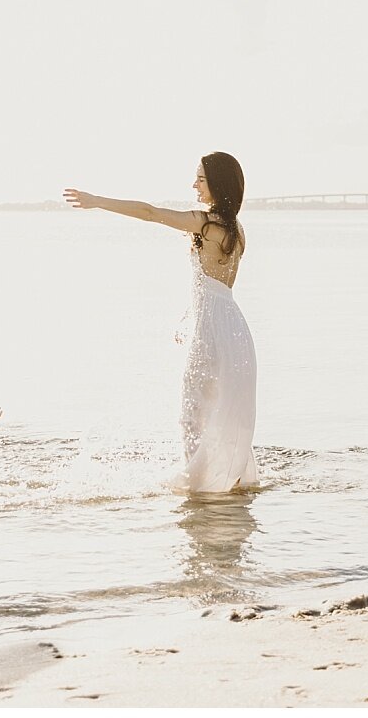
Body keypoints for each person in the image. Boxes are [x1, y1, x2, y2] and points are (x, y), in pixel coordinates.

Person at [63, 152, 258, 494]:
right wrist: (190, 316)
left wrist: (98, 201)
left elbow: (151, 213)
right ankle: (230, 485)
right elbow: (217, 284)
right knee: (221, 411)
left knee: (192, 414)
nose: (194, 184)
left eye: (200, 178)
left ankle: (200, 491)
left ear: (218, 184)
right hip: (233, 328)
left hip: (213, 329)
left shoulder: (207, 224)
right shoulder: (235, 230)